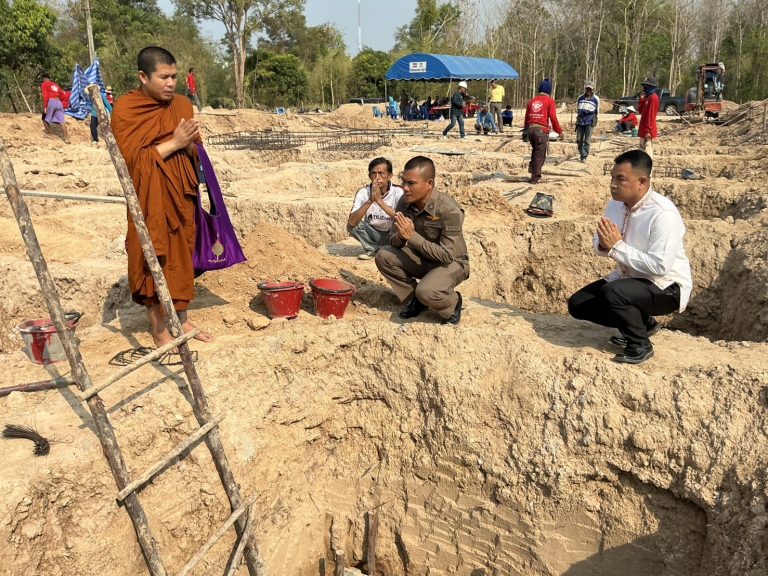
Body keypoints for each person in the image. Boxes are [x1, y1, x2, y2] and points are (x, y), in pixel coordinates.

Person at [111, 46, 213, 348]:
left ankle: (181, 319)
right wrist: (174, 142)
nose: (171, 83)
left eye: (175, 76)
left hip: (181, 195)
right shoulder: (127, 109)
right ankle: (159, 330)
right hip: (148, 200)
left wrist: (190, 144)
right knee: (151, 258)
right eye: (164, 77)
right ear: (143, 77)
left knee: (181, 256)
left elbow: (195, 150)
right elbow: (130, 162)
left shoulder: (181, 104)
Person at [567, 150, 692, 364]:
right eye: (612, 178)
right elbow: (600, 245)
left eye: (621, 179)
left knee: (613, 293)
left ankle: (639, 344)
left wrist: (617, 247)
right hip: (630, 280)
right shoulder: (616, 205)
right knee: (578, 304)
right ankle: (644, 323)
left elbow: (660, 266)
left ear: (642, 182)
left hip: (666, 287)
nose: (613, 184)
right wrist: (606, 246)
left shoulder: (663, 214)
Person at [375, 156, 469, 325]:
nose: (405, 188)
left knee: (427, 291)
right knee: (384, 256)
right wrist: (400, 236)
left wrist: (412, 237)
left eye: (411, 183)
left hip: (451, 263)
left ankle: (452, 304)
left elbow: (447, 255)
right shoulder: (404, 202)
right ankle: (414, 301)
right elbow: (392, 241)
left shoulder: (450, 210)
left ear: (429, 184)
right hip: (423, 257)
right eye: (403, 182)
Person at [347, 157, 404, 260]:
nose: (377, 177)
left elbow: (402, 219)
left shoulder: (398, 192)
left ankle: (386, 249)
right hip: (373, 233)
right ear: (369, 176)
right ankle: (373, 249)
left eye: (381, 173)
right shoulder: (363, 192)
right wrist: (370, 201)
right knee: (353, 225)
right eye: (374, 173)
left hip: (392, 234)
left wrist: (380, 201)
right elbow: (351, 222)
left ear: (389, 175)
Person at [523, 79, 563, 184]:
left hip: (531, 129)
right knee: (540, 154)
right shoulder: (549, 101)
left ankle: (533, 170)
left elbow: (527, 117)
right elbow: (553, 117)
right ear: (549, 91)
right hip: (540, 130)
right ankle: (536, 178)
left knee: (535, 151)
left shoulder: (532, 101)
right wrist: (559, 131)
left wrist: (525, 131)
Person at [40, 74, 71, 143]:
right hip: (58, 102)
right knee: (62, 121)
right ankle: (66, 138)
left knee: (44, 118)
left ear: (44, 78)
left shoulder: (44, 84)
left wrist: (45, 106)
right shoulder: (55, 85)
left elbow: (45, 96)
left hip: (51, 101)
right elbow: (63, 95)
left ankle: (50, 134)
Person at [575, 82, 599, 162]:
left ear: (593, 90)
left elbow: (597, 111)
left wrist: (595, 120)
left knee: (587, 140)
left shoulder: (596, 99)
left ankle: (584, 156)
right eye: (587, 89)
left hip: (590, 120)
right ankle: (582, 153)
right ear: (585, 89)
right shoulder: (580, 98)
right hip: (581, 120)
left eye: (590, 89)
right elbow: (577, 109)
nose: (588, 90)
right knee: (579, 139)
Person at [637, 75, 659, 158]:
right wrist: (641, 100)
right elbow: (640, 111)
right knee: (642, 152)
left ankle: (648, 170)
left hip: (647, 131)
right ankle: (642, 169)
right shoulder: (647, 97)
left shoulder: (653, 98)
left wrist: (648, 131)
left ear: (650, 87)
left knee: (647, 152)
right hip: (643, 130)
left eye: (645, 86)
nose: (644, 88)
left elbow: (651, 116)